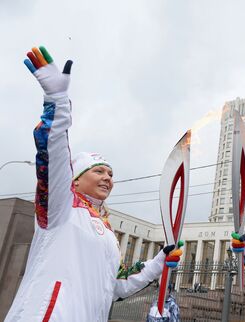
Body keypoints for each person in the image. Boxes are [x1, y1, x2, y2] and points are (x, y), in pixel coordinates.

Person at [6, 46, 183, 321]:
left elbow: (116, 285)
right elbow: (53, 160)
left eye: (110, 174)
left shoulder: (107, 234)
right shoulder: (61, 208)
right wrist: (58, 103)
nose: (107, 178)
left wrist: (160, 260)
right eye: (98, 171)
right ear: (75, 180)